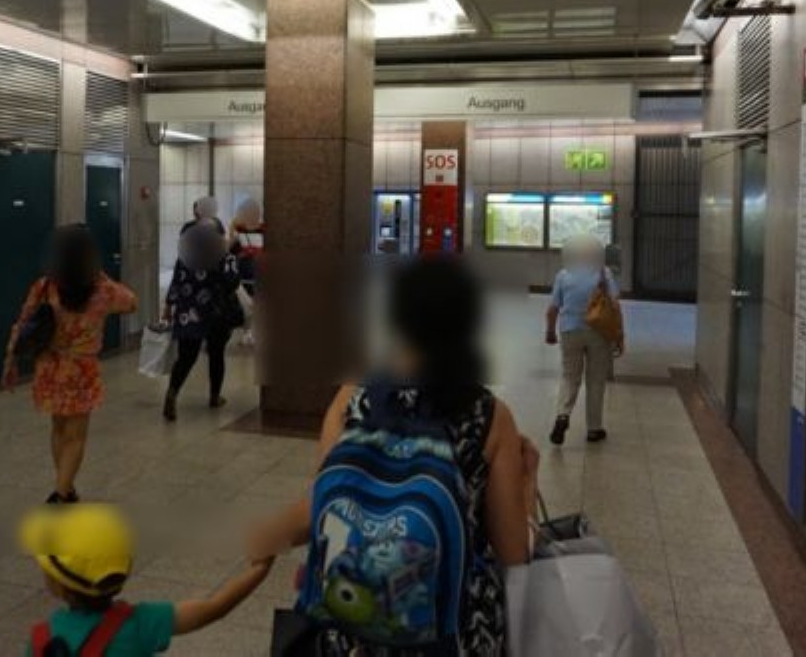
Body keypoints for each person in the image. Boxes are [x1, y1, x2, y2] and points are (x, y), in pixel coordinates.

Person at [246, 257, 536, 655]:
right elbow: (514, 553)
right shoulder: (488, 416)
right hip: (451, 636)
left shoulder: (353, 396)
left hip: (351, 630)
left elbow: (323, 503)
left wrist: (269, 535)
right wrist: (526, 485)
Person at [22, 503, 273, 656]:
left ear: (58, 585)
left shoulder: (40, 640)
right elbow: (213, 608)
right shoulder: (141, 623)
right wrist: (259, 570)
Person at [3, 225, 138, 503]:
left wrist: (10, 360)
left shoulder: (45, 286)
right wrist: (102, 276)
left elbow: (23, 323)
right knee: (75, 436)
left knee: (58, 429)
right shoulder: (103, 290)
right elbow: (132, 303)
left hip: (49, 367)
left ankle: (66, 486)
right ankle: (60, 494)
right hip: (81, 371)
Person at [545, 234, 624, 446]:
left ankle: (562, 415)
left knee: (570, 377)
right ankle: (594, 429)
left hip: (570, 331)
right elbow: (615, 306)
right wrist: (619, 335)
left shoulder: (563, 275)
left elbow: (553, 309)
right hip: (598, 332)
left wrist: (550, 332)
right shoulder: (604, 274)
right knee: (596, 380)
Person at [162, 220, 242, 421]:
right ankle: (214, 397)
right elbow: (233, 283)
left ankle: (172, 392)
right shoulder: (225, 257)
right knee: (216, 355)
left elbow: (176, 283)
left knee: (186, 357)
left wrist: (168, 307)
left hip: (188, 313)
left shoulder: (186, 256)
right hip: (216, 313)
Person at [229, 197, 264, 345]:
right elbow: (229, 249)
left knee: (256, 304)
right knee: (248, 305)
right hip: (243, 272)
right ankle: (247, 332)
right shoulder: (238, 228)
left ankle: (251, 332)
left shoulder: (263, 228)